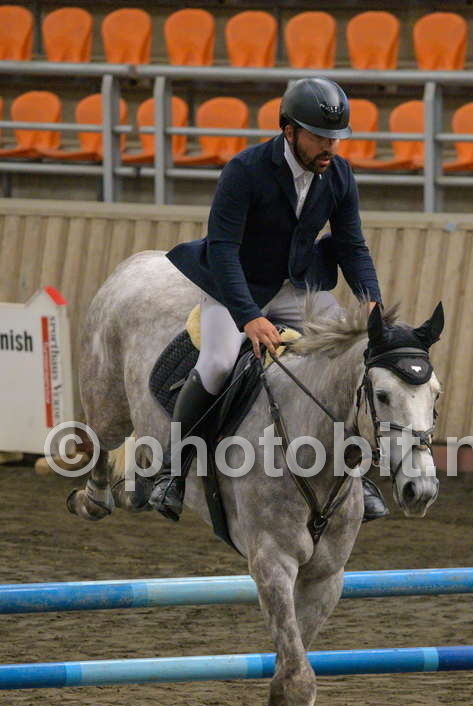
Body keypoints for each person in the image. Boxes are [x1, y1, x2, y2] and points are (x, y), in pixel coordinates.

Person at [149, 76, 389, 523]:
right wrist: (248, 317)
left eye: (336, 137)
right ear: (289, 130)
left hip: (297, 286)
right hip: (236, 285)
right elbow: (223, 249)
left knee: (349, 354)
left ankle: (359, 474)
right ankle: (172, 470)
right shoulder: (245, 170)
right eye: (319, 136)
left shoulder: (338, 174)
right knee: (218, 363)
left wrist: (370, 301)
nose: (330, 146)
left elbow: (351, 246)